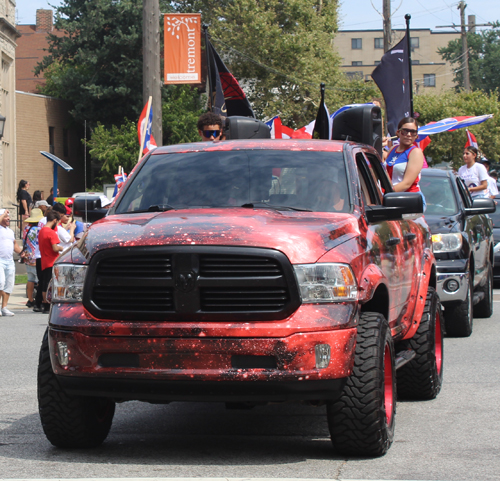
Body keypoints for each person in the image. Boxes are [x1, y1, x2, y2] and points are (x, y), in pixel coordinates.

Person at [384, 117, 426, 209]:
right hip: (391, 198)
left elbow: (407, 184)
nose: (408, 135)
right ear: (398, 133)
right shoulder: (392, 149)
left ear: (416, 135)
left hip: (409, 199)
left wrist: (383, 194)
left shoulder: (415, 152)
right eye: (405, 131)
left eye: (413, 132)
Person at [38, 210, 63, 313]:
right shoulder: (51, 233)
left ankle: (45, 303)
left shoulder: (41, 231)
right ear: (55, 220)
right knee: (52, 284)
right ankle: (49, 304)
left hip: (44, 260)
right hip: (52, 261)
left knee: (45, 283)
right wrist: (61, 248)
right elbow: (55, 248)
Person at [0, 209, 23, 316]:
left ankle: (4, 307)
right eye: (5, 216)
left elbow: (14, 244)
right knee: (1, 282)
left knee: (9, 285)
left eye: (8, 216)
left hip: (9, 261)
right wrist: (4, 213)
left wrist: (22, 253)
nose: (8, 218)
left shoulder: (10, 231)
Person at [20, 208, 43, 307]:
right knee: (39, 280)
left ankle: (30, 299)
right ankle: (40, 300)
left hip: (27, 256)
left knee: (30, 279)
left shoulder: (26, 229)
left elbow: (24, 241)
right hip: (36, 257)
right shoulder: (38, 230)